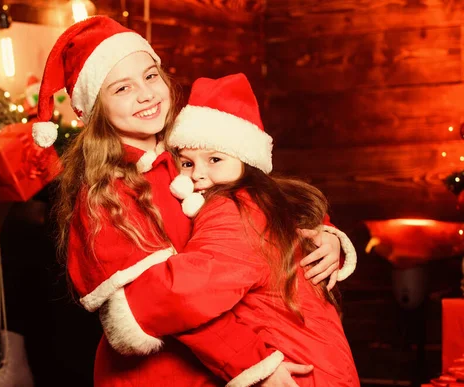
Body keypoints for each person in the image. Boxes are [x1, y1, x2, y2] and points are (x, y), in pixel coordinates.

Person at [31, 16, 355, 386]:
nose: (146, 94)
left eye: (151, 76)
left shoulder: (191, 144)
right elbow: (162, 301)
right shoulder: (108, 193)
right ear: (96, 109)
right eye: (122, 88)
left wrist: (325, 236)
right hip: (164, 375)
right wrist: (255, 364)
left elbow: (261, 199)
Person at [99, 73, 359, 386]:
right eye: (188, 163)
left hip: (298, 373)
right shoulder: (261, 198)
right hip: (320, 364)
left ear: (247, 160)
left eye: (215, 159)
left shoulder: (232, 207)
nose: (198, 174)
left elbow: (194, 286)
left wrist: (129, 303)